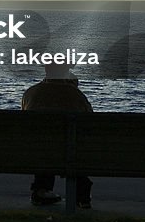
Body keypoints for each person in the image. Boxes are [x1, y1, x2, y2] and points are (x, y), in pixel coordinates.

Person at [21, 62, 93, 208]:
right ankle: (81, 195)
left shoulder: (31, 93)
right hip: (70, 150)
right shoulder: (75, 95)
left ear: (46, 70)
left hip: (39, 151)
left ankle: (41, 190)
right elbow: (89, 121)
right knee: (70, 144)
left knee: (46, 144)